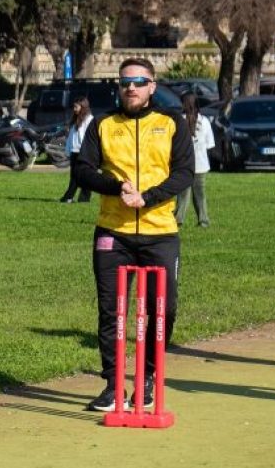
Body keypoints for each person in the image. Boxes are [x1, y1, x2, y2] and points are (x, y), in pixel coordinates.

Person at [73, 58, 194, 412]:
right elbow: (82, 169)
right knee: (112, 310)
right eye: (125, 82)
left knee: (163, 309)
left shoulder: (171, 123)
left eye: (139, 81)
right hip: (114, 232)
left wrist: (148, 197)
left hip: (160, 232)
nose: (131, 88)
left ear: (152, 86)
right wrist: (115, 188)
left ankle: (149, 377)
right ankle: (113, 386)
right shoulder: (104, 124)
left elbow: (184, 172)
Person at [174, 92, 212, 227]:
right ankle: (203, 220)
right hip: (201, 165)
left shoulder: (178, 121)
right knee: (200, 195)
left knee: (182, 195)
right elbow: (210, 144)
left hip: (183, 164)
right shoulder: (205, 121)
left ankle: (178, 219)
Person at [59, 96, 93, 203]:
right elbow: (71, 137)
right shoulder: (75, 120)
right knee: (75, 176)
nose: (74, 109)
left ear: (83, 106)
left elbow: (90, 138)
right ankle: (75, 198)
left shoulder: (89, 120)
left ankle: (72, 197)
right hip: (75, 152)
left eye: (76, 107)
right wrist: (68, 150)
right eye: (73, 107)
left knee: (82, 176)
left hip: (84, 153)